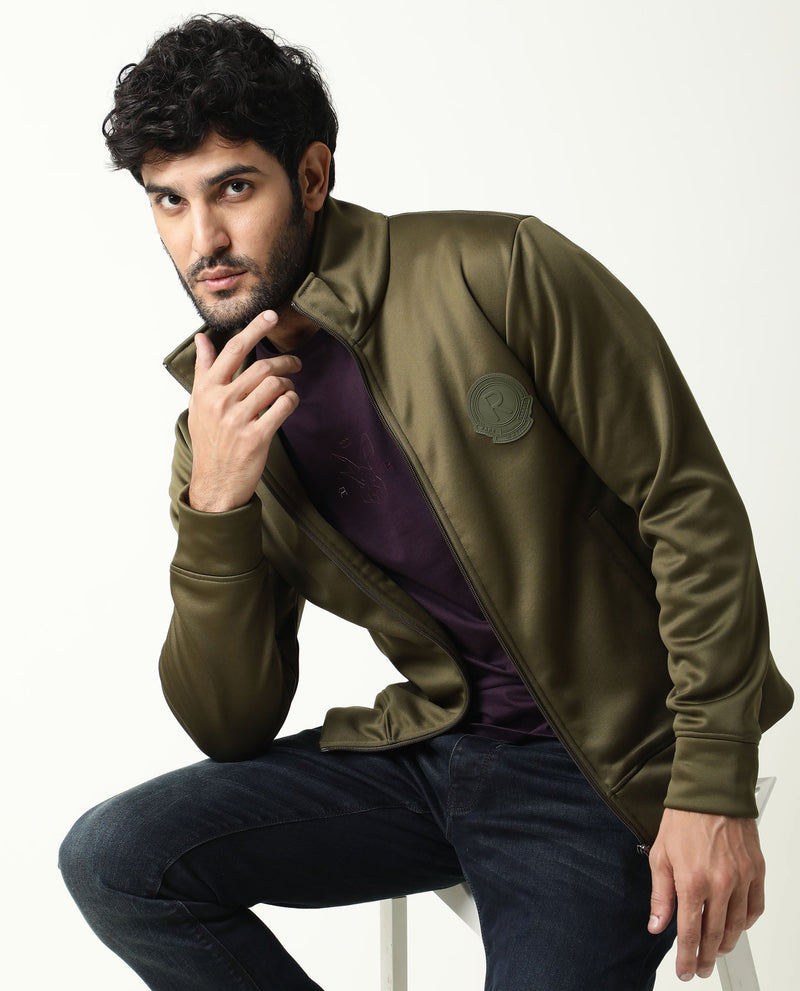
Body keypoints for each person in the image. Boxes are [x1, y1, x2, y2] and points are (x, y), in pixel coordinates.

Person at [59, 14, 793, 990]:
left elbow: (687, 508)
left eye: (234, 188)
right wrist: (217, 504)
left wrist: (711, 782)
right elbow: (230, 724)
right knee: (115, 857)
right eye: (169, 201)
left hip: (600, 770)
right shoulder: (221, 423)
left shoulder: (498, 270)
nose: (205, 240)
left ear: (310, 176)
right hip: (432, 753)